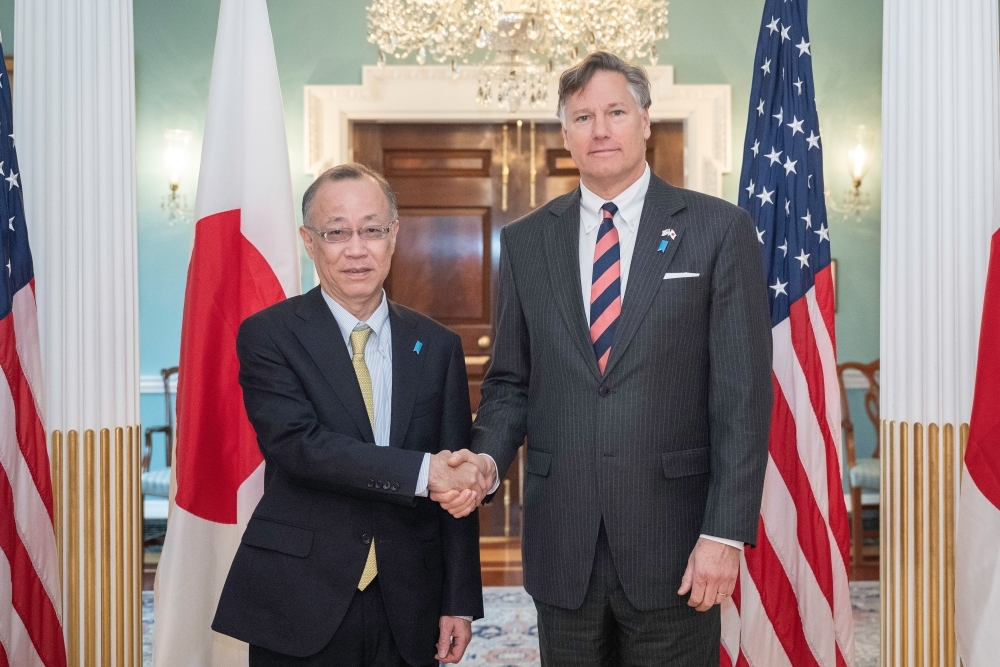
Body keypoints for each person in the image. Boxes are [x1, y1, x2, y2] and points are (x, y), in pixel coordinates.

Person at [436, 52, 773, 665]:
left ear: (645, 120)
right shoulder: (526, 241)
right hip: (562, 541)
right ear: (564, 133)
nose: (600, 129)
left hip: (676, 544)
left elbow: (742, 396)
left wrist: (723, 534)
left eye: (615, 112)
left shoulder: (718, 229)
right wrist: (485, 460)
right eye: (582, 116)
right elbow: (511, 381)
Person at [213, 163, 486, 667]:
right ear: (309, 241)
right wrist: (426, 473)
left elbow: (455, 494)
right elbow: (298, 446)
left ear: (394, 236)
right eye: (336, 232)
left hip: (410, 599)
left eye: (372, 230)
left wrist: (460, 602)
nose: (356, 248)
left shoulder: (439, 346)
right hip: (300, 594)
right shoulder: (269, 336)